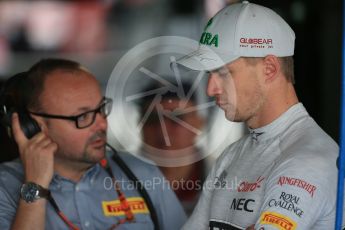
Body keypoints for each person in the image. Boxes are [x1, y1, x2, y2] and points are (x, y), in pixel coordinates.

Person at [176, 1, 342, 229]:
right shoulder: (231, 156)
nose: (210, 88)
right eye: (209, 74)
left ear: (270, 69)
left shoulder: (309, 161)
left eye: (223, 73)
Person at [0, 58, 186, 230]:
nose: (102, 124)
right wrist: (35, 186)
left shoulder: (142, 174)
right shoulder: (5, 186)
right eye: (83, 116)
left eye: (100, 109)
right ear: (35, 126)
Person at [139, 82, 210, 216]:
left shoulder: (228, 177)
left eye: (177, 118)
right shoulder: (115, 182)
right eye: (152, 119)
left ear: (199, 123)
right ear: (140, 126)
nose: (163, 130)